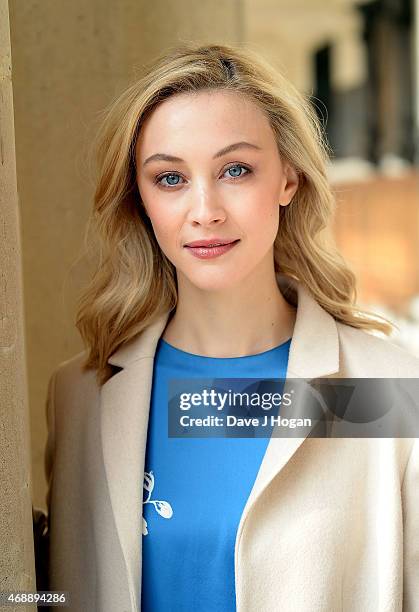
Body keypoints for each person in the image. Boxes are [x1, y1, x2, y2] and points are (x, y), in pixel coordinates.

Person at [43, 43, 419, 611]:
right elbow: (58, 593)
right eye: (169, 178)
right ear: (141, 199)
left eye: (236, 170)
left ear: (288, 179)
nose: (205, 210)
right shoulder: (81, 396)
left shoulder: (387, 389)